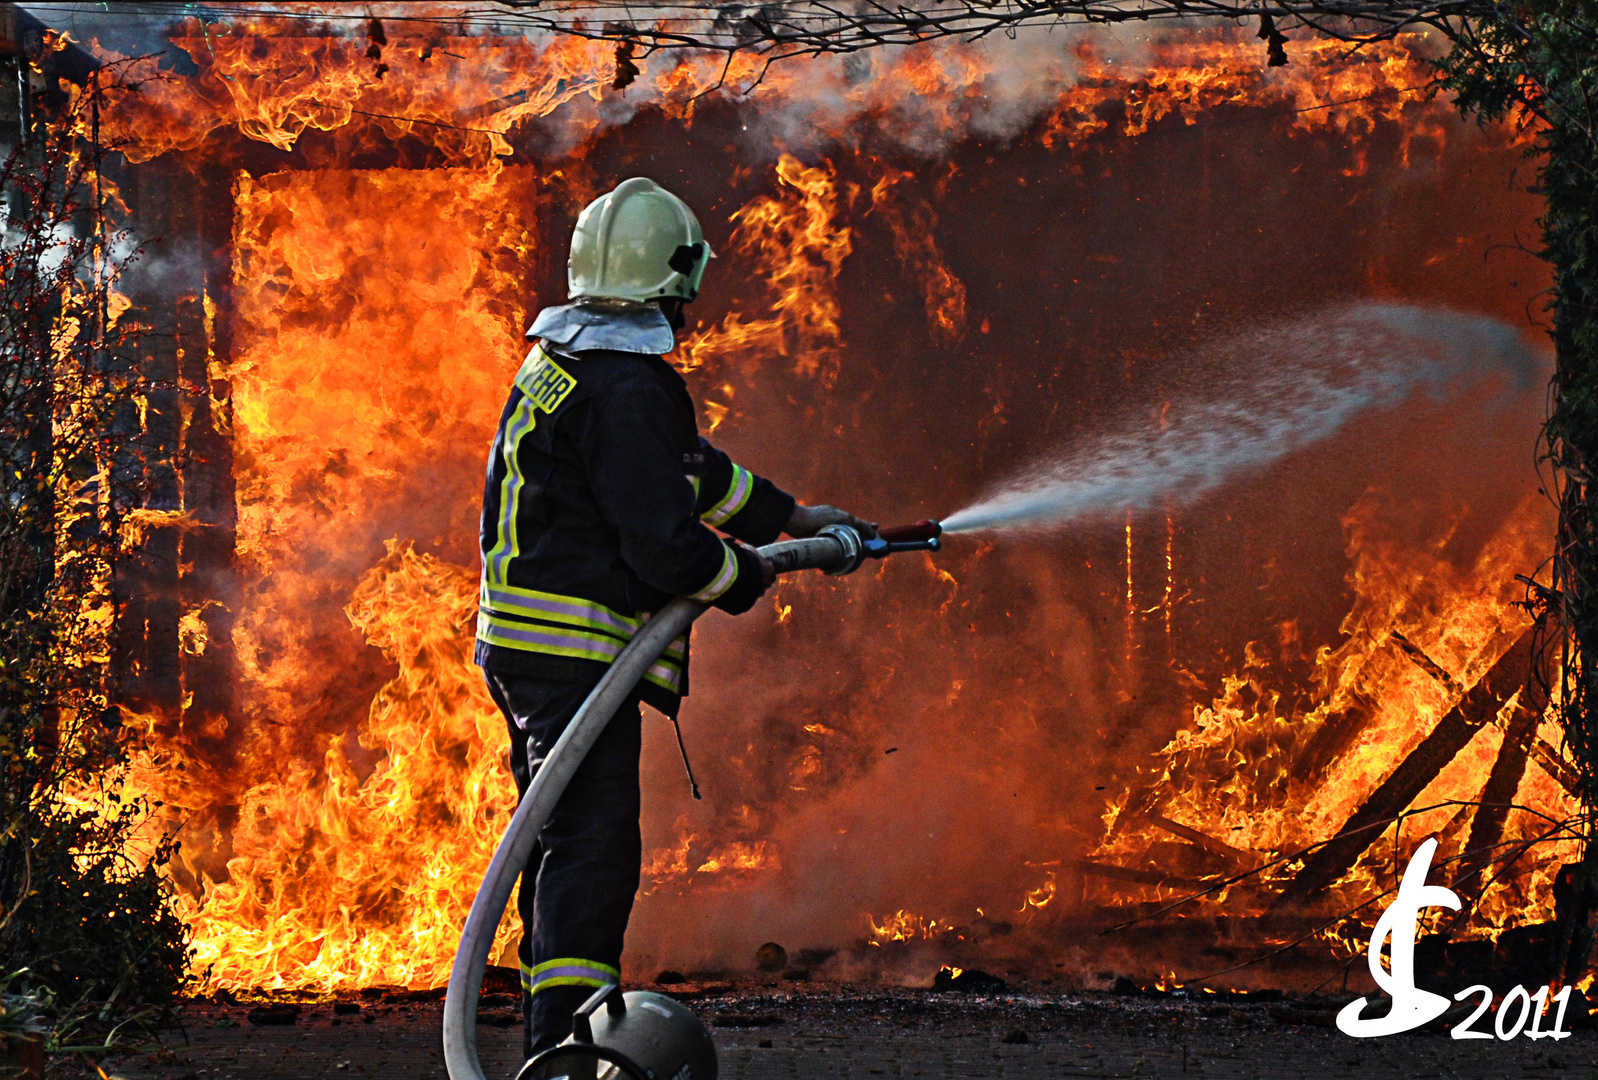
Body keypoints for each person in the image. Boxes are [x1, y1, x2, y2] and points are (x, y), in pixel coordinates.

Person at [475, 176, 876, 1059]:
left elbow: (679, 471)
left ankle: (559, 1037)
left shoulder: (563, 363)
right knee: (591, 846)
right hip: (574, 654)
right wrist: (743, 571)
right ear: (673, 281)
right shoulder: (629, 389)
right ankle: (568, 1050)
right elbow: (665, 543)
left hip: (524, 648)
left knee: (557, 835)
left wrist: (790, 519)